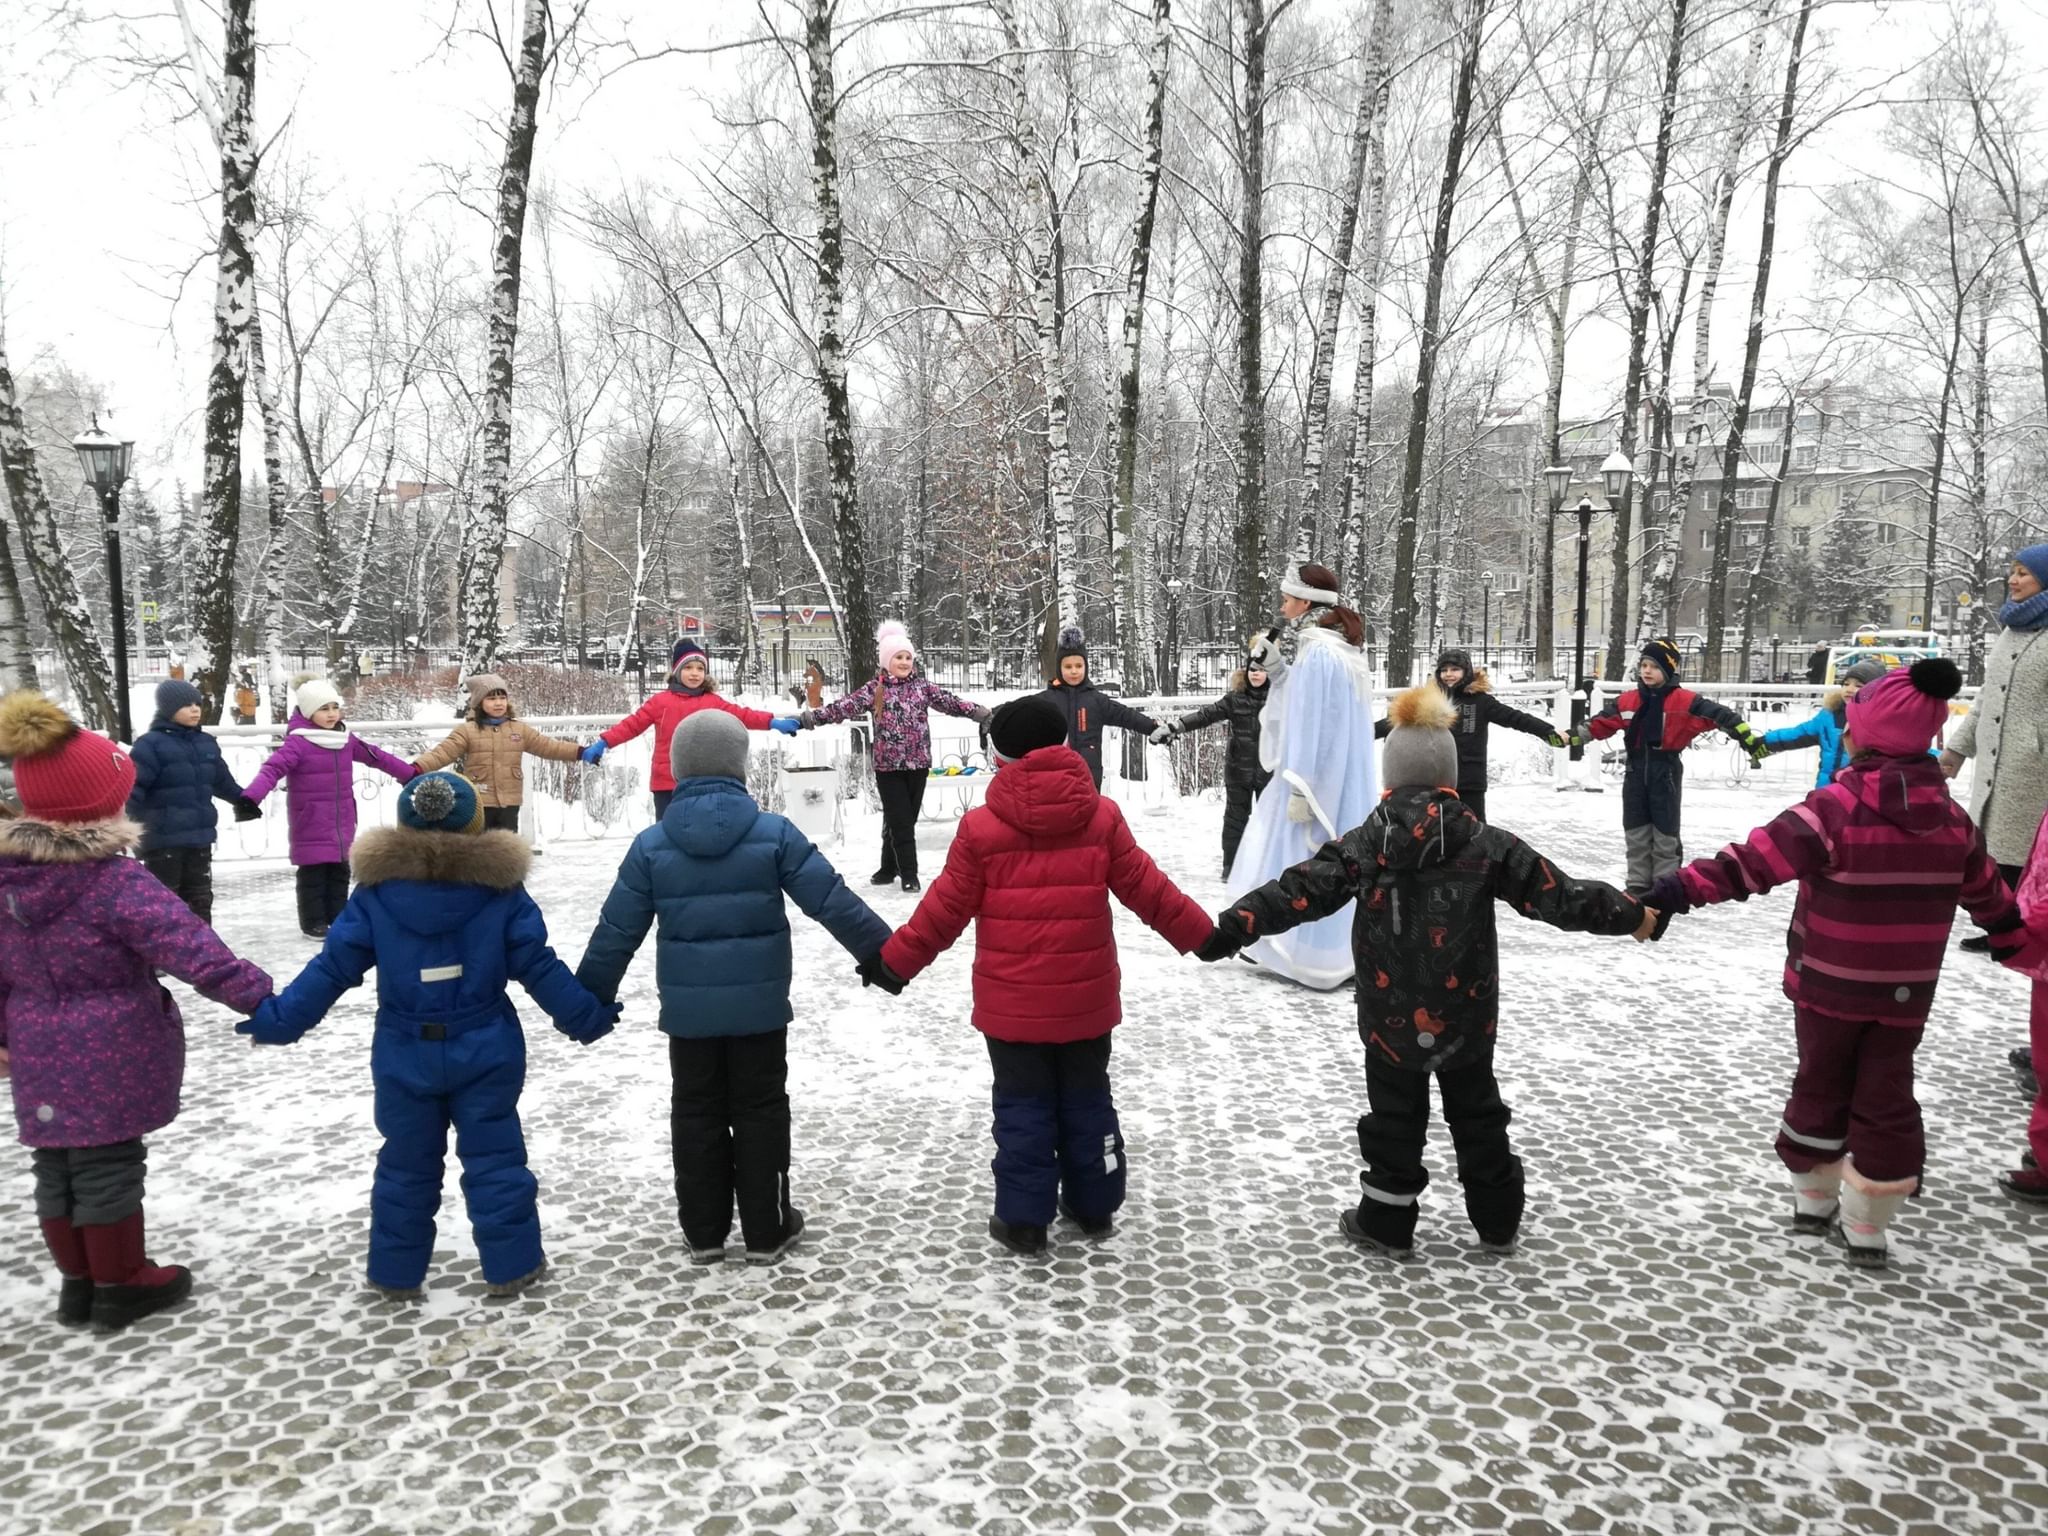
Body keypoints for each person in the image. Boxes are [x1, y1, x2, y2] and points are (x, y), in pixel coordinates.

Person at [1198, 684, 1653, 1257]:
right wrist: (1633, 915)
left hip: (1388, 1017)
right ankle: (1496, 1217)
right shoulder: (1488, 843)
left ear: (1388, 781)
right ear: (1450, 780)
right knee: (1477, 1112)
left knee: (1393, 1118)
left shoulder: (1364, 843)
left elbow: (1298, 891)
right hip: (1467, 1012)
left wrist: (1233, 926)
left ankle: (1387, 1221)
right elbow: (1560, 896)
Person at [1647, 659, 2028, 1268]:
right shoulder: (1952, 820)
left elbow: (1751, 862)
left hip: (1827, 983)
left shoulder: (1836, 807)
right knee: (1887, 1092)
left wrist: (1673, 892)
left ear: (1862, 735)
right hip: (1905, 993)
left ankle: (1815, 1196)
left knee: (1821, 1080)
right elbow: (1987, 893)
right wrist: (2011, 935)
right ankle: (1869, 1222)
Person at [240, 772, 617, 1299]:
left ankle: (395, 1273)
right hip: (486, 1044)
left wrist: (281, 1019)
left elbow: (333, 968)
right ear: (475, 826)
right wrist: (586, 1017)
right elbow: (537, 965)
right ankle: (513, 1265)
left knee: (405, 1163)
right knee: (496, 1159)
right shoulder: (499, 891)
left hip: (403, 1050)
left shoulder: (376, 896)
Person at [865, 695, 1213, 1256]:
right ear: (1065, 747)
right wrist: (1204, 935)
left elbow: (943, 912)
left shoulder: (981, 829)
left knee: (1023, 1106)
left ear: (1000, 760)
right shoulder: (1101, 817)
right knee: (1087, 1096)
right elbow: (1150, 889)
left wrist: (893, 963)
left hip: (1013, 1010)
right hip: (1086, 1001)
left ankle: (1024, 1221)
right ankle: (1095, 1203)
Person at [0, 691, 273, 1331]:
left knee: (57, 1162)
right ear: (103, 804)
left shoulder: (8, 879)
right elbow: (192, 949)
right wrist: (258, 997)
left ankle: (79, 1284)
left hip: (36, 1041)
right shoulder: (115, 882)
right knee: (109, 1165)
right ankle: (121, 1283)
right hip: (111, 1045)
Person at [576, 711, 891, 1266]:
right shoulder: (773, 833)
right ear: (740, 766)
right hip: (761, 1011)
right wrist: (884, 957)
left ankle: (703, 1233)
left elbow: (616, 929)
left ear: (677, 770)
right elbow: (831, 900)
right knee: (761, 1109)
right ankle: (767, 1231)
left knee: (694, 1111)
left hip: (689, 1016)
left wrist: (587, 1000)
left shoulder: (652, 844)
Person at [1225, 562, 1379, 989]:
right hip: (1337, 780)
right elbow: (1307, 704)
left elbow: (1314, 725)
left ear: (1306, 602)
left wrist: (1303, 786)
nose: (1282, 605)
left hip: (1312, 780)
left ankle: (1301, 954)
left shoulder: (1320, 651)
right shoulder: (1336, 649)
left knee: (1300, 863)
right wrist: (1278, 672)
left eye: (1288, 598)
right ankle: (1333, 952)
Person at [1563, 638, 1765, 896]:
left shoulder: (1685, 701)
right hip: (1635, 772)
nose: (1647, 671)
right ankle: (1637, 884)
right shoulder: (1629, 701)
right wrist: (1572, 736)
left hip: (1665, 771)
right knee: (1635, 829)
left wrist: (1747, 738)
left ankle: (1666, 886)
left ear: (1669, 670)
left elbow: (1723, 716)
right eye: (1644, 665)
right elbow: (1602, 722)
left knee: (1664, 832)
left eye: (1655, 667)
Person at [799, 620, 991, 891]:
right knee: (901, 821)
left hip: (918, 764)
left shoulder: (922, 687)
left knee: (902, 818)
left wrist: (978, 713)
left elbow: (950, 702)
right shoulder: (874, 689)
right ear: (886, 661)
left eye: (907, 657)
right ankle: (909, 874)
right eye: (898, 657)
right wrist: (813, 718)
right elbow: (844, 707)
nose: (904, 662)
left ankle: (888, 867)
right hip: (888, 766)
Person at [243, 678, 418, 937]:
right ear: (308, 712)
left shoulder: (345, 739)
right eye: (324, 709)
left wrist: (410, 775)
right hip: (311, 819)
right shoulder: (298, 743)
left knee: (339, 872)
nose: (332, 714)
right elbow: (273, 769)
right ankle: (313, 922)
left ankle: (338, 918)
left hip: (342, 819)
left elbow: (376, 756)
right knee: (313, 875)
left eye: (335, 707)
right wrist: (250, 798)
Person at [1944, 545, 2048, 956]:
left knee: (2029, 855)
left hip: (2036, 765)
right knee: (1993, 851)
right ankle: (2001, 928)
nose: (2012, 579)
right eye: (2012, 571)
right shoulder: (2011, 629)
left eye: (2023, 572)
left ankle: (2025, 932)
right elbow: (1989, 696)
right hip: (1997, 765)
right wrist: (1957, 750)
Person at [583, 638, 801, 818]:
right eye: (688, 667)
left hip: (704, 782)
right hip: (667, 783)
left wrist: (773, 722)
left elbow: (743, 716)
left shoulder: (712, 702)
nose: (695, 673)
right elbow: (631, 725)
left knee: (701, 835)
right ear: (676, 671)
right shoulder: (660, 702)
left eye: (700, 668)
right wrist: (604, 742)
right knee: (667, 837)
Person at [1371, 647, 1563, 822]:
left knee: (1474, 832)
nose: (1448, 675)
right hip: (1436, 781)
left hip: (1470, 780)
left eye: (1454, 669)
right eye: (1444, 670)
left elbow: (1516, 718)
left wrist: (1548, 732)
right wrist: (1365, 733)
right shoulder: (1429, 701)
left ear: (1466, 671)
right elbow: (1392, 724)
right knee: (1437, 832)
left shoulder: (1481, 702)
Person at [126, 678, 263, 922]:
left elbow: (221, 780)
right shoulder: (150, 746)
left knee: (200, 898)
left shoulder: (205, 743)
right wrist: (123, 827)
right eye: (186, 705)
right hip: (162, 840)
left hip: (199, 838)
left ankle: (202, 949)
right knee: (166, 901)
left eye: (197, 704)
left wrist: (243, 800)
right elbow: (133, 789)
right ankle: (164, 954)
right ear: (168, 709)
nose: (195, 709)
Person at [411, 673, 592, 835]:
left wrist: (581, 752)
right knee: (479, 850)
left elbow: (549, 746)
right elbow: (442, 753)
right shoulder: (468, 730)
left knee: (506, 850)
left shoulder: (518, 729)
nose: (498, 703)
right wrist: (417, 768)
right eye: (491, 698)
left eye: (502, 697)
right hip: (479, 801)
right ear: (479, 703)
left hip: (509, 802)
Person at [1155, 653, 1271, 876]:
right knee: (1235, 820)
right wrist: (1176, 726)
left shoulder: (1279, 698)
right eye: (1252, 669)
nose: (1256, 674)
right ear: (1245, 672)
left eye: (1261, 669)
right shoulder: (1235, 699)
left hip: (1268, 771)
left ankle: (1269, 865)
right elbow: (1205, 715)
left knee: (1270, 822)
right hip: (1238, 771)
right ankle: (1231, 866)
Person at [1043, 627, 1160, 789]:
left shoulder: (1096, 700)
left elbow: (1126, 715)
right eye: (1068, 667)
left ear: (1086, 667)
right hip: (1055, 780)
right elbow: (1019, 711)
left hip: (1088, 779)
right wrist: (995, 715)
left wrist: (1152, 727)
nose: (1074, 671)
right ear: (1059, 669)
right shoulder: (1047, 700)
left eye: (1078, 665)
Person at [1758, 658, 1889, 788]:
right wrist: (1764, 741)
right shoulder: (1830, 715)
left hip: (1861, 792)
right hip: (1827, 790)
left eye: (1858, 686)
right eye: (1846, 684)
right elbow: (1799, 733)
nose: (1849, 689)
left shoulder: (1883, 721)